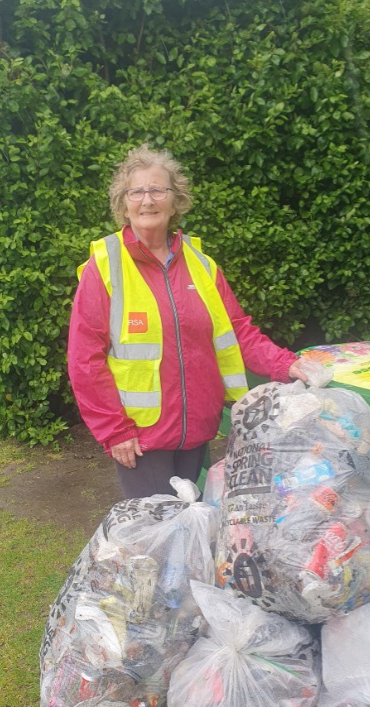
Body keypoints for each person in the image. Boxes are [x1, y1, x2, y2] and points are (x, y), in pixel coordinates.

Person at [68, 144, 307, 499]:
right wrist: (114, 430)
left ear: (175, 200)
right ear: (124, 202)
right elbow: (84, 359)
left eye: (157, 190)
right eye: (137, 191)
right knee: (156, 534)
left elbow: (239, 331)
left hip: (196, 429)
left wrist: (288, 364)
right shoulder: (105, 266)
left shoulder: (202, 264)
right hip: (141, 438)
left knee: (191, 525)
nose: (147, 200)